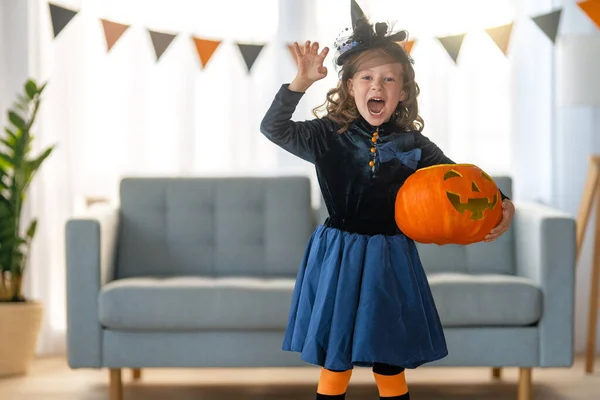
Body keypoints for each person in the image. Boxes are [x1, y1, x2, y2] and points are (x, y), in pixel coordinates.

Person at [260, 1, 515, 399]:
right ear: (349, 86)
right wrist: (300, 83)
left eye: (389, 80)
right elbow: (272, 127)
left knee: (389, 353)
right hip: (339, 253)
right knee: (335, 354)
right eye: (367, 77)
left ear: (402, 91)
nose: (377, 86)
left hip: (391, 254)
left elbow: (460, 179)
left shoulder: (413, 143)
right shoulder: (325, 134)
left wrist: (502, 200)